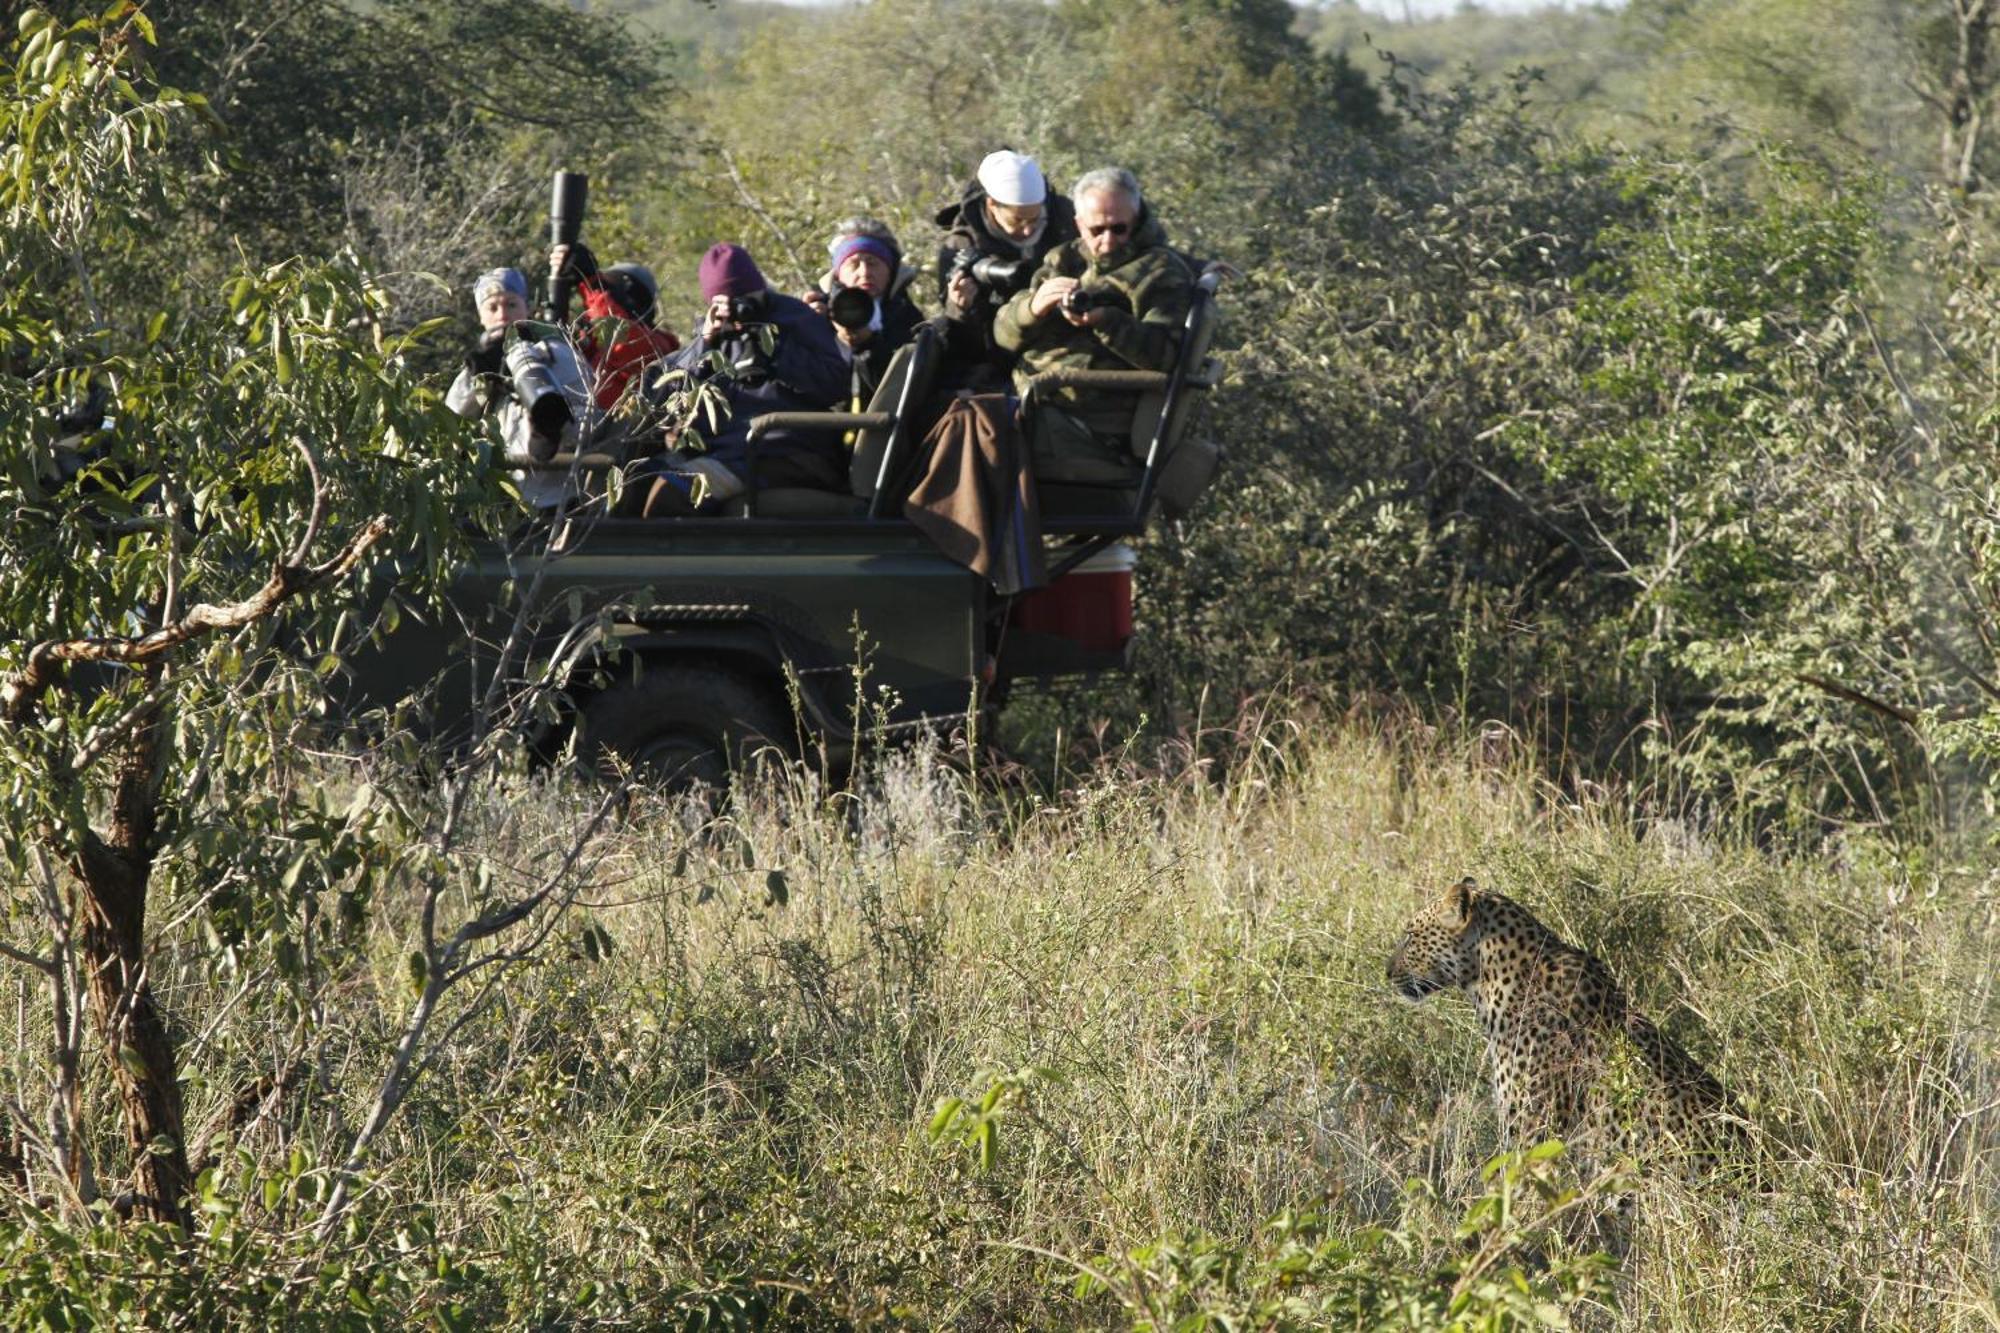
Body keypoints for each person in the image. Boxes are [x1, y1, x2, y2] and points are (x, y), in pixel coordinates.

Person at [993, 167, 1195, 484]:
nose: (1108, 240)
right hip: (1033, 400)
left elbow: (1167, 356)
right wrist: (1031, 309)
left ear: (1137, 218)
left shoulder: (1161, 272)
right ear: (1078, 225)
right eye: (1096, 230)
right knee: (955, 418)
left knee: (977, 438)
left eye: (1119, 228)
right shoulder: (1063, 259)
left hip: (1088, 418)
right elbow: (1003, 338)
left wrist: (1107, 322)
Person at [634, 242, 850, 516]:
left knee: (670, 494)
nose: (740, 311)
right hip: (724, 450)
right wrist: (707, 343)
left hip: (786, 449)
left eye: (748, 298)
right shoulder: (710, 336)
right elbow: (669, 395)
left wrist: (774, 351)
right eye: (728, 302)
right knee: (632, 486)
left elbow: (836, 384)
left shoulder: (796, 319)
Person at [446, 266, 593, 512]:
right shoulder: (476, 365)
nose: (502, 315)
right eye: (492, 307)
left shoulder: (557, 353)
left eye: (511, 305)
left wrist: (544, 425)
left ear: (527, 309)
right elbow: (449, 421)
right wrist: (480, 375)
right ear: (481, 317)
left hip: (559, 499)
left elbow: (587, 423)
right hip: (499, 502)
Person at [933, 149, 1078, 391]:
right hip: (994, 358)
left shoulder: (1068, 224)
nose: (1027, 230)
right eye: (1018, 221)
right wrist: (960, 308)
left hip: (1063, 347)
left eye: (1035, 219)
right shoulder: (960, 246)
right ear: (992, 205)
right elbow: (962, 342)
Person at [801, 217, 924, 409]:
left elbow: (905, 389)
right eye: (854, 264)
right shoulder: (818, 312)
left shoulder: (908, 318)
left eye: (873, 263)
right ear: (838, 273)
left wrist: (866, 344)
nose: (864, 272)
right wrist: (806, 328)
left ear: (890, 271)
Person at [547, 242, 681, 418]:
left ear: (633, 299)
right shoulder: (593, 345)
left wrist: (590, 282)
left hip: (614, 440)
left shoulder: (657, 347)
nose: (603, 296)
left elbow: (620, 333)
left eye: (610, 292)